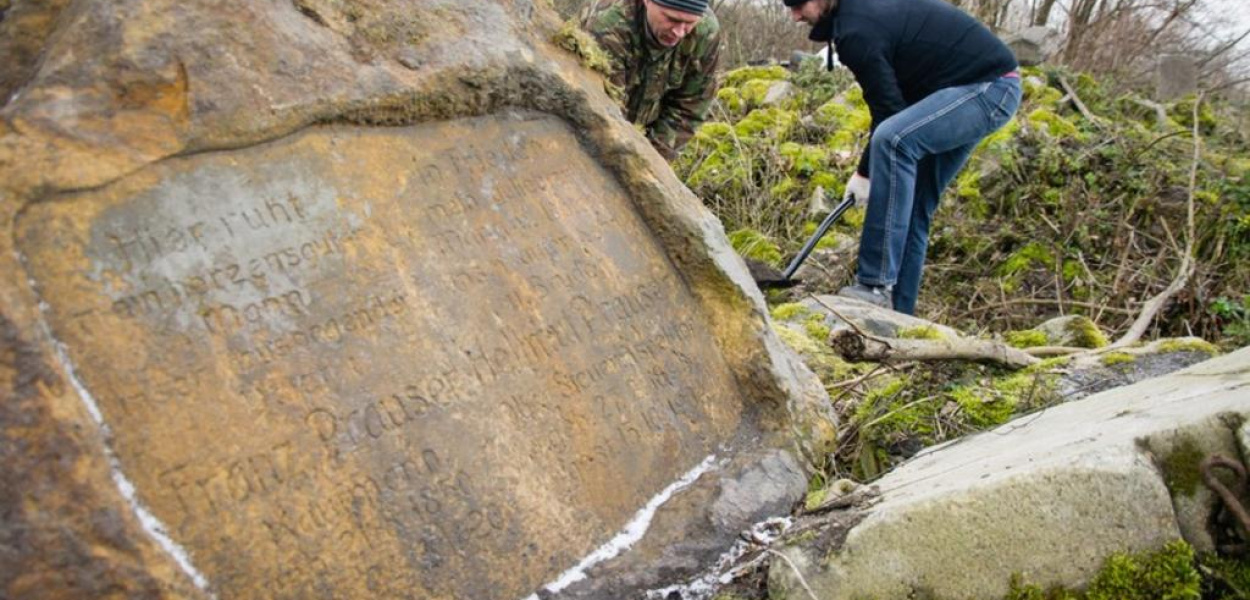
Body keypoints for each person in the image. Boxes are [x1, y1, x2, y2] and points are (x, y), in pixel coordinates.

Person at [785, 0, 1022, 314]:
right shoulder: (857, 16)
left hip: (986, 87)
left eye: (799, 3)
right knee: (913, 204)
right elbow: (894, 103)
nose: (795, 14)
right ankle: (899, 313)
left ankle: (874, 285)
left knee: (895, 141)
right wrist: (865, 173)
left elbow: (888, 115)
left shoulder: (856, 29)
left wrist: (864, 174)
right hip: (962, 91)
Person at [585, 0, 721, 159]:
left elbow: (689, 109)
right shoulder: (609, 24)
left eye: (689, 23)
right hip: (596, 125)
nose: (679, 32)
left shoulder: (705, 32)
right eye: (673, 19)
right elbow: (604, 111)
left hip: (649, 129)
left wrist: (652, 160)